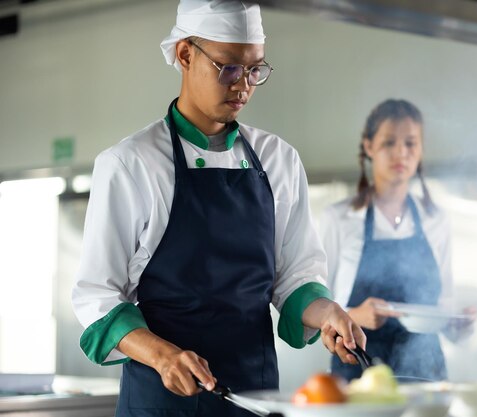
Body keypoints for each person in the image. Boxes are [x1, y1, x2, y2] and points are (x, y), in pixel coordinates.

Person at [72, 1, 365, 416]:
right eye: (228, 67)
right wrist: (161, 355)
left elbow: (296, 275)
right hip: (161, 398)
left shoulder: (279, 159)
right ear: (185, 54)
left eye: (254, 69)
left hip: (253, 398)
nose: (243, 85)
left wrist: (327, 314)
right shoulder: (131, 164)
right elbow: (96, 295)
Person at [319, 99, 474, 382]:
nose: (400, 153)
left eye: (410, 143)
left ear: (420, 150)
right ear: (369, 147)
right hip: (357, 377)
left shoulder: (435, 220)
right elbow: (316, 314)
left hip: (426, 378)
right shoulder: (338, 219)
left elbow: (443, 304)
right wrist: (355, 316)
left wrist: (456, 325)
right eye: (389, 142)